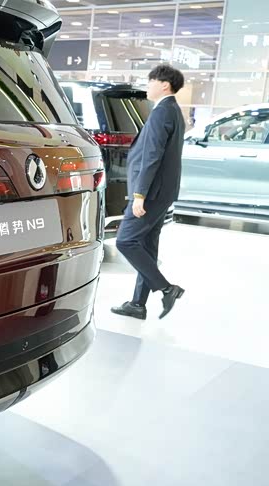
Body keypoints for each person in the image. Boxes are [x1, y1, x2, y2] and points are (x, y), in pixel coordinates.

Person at [111, 64, 186, 320]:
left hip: (151, 193)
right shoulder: (172, 110)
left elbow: (152, 156)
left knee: (125, 241)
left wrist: (139, 195)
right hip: (163, 191)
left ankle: (167, 288)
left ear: (164, 84)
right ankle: (137, 304)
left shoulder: (162, 112)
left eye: (151, 81)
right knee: (147, 245)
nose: (148, 85)